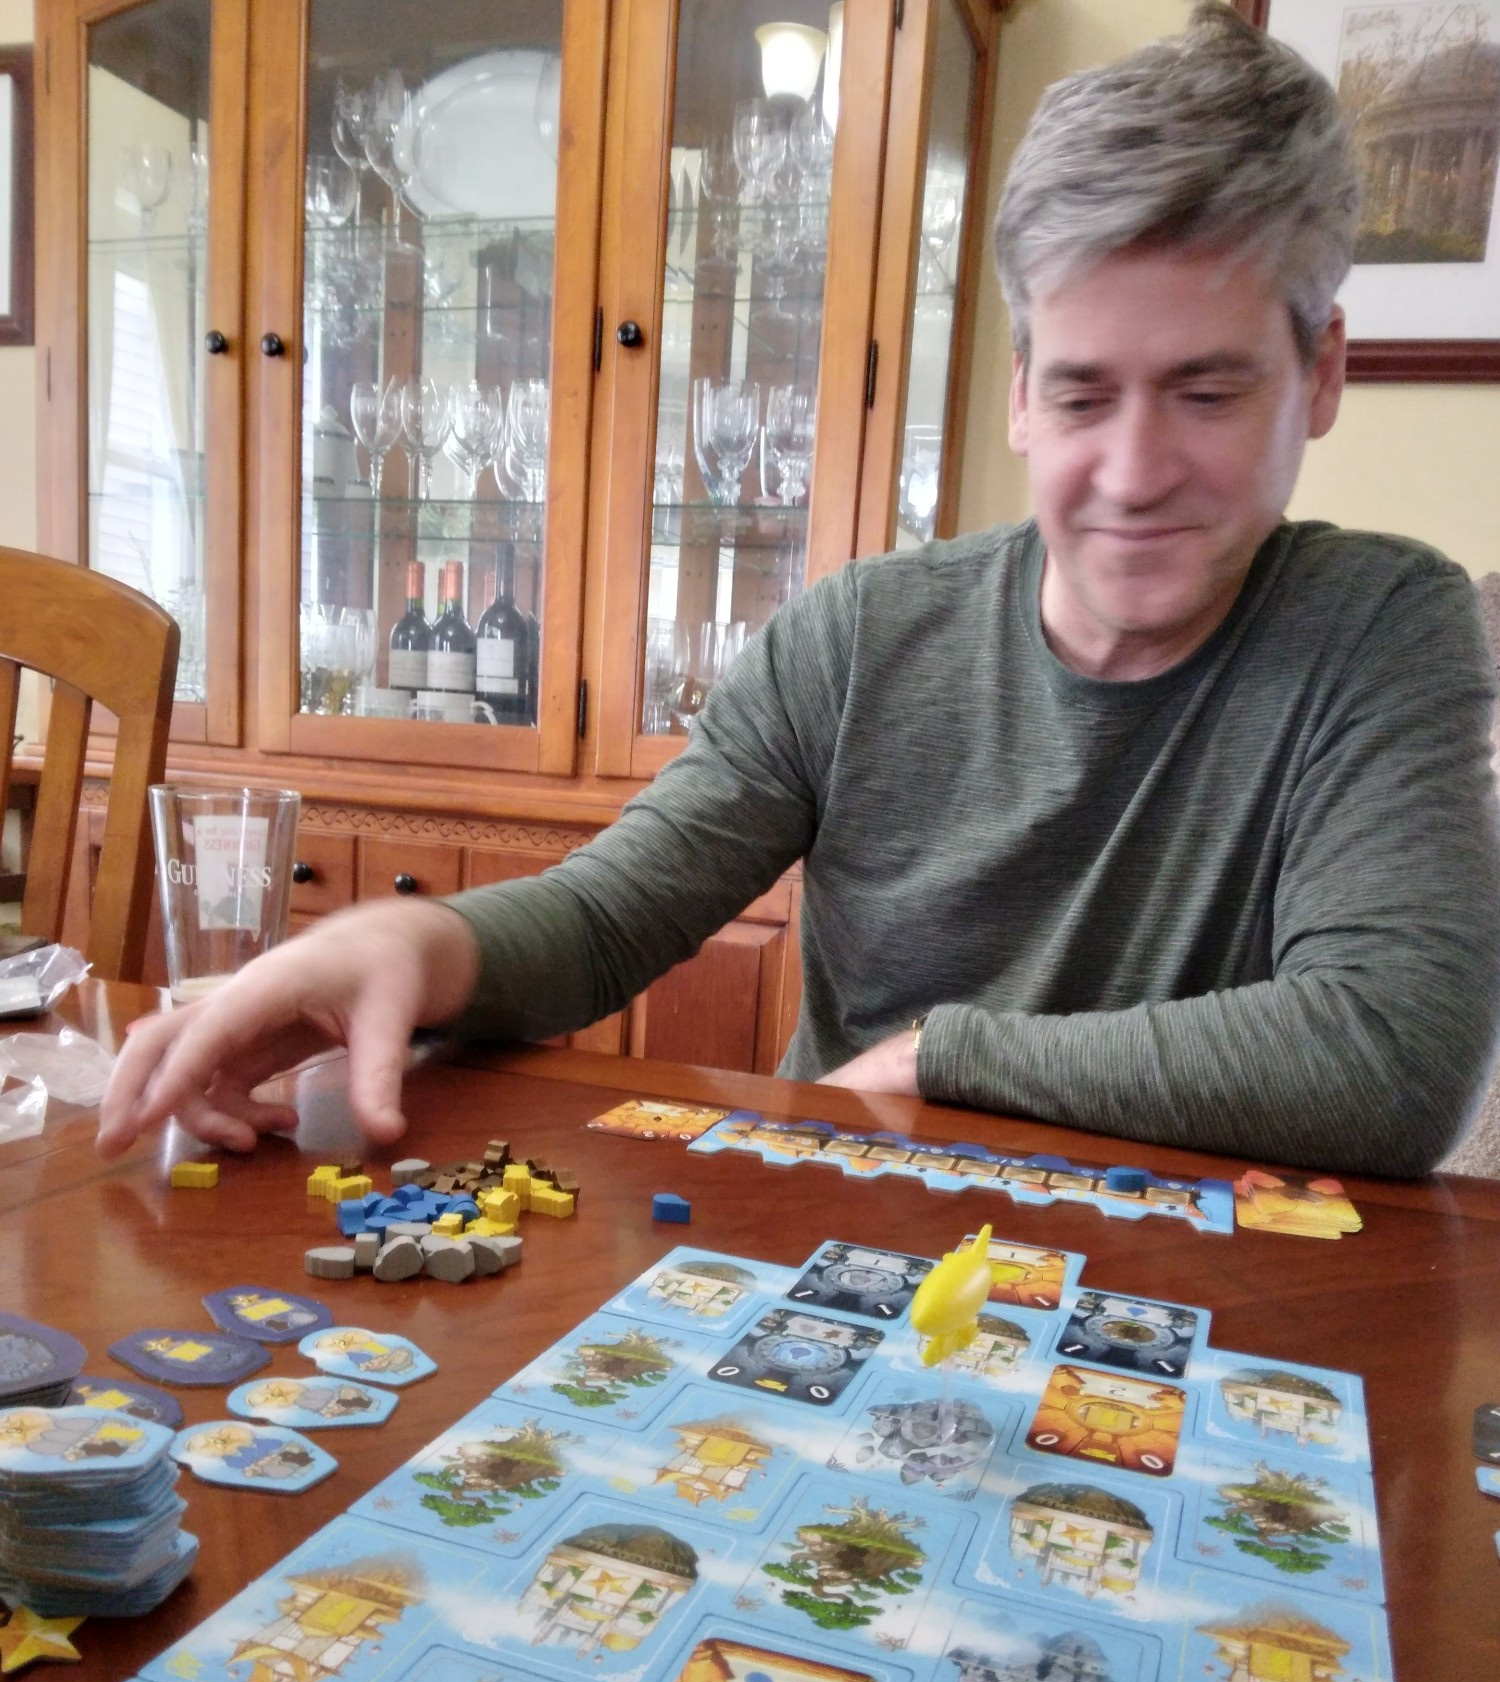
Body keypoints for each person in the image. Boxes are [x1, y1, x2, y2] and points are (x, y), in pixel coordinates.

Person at [97, 2, 1500, 1175]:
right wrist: (399, 938)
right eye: (1083, 394)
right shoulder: (859, 633)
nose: (1133, 471)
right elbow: (606, 920)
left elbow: (1387, 1056)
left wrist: (952, 1057)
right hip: (847, 1259)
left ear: (1320, 376)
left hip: (1199, 1314)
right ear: (1017, 394)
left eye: (1206, 390)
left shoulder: (1386, 627)